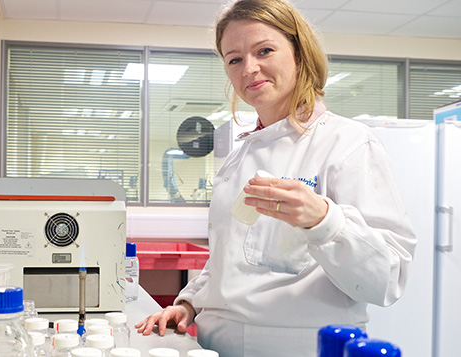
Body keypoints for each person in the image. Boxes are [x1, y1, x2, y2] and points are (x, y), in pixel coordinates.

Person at [134, 0, 417, 355]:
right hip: (213, 343)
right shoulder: (239, 157)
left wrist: (325, 221)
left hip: (303, 345)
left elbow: (387, 281)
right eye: (234, 59)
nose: (249, 68)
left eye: (264, 50)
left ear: (300, 53)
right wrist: (189, 302)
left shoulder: (347, 143)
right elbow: (226, 257)